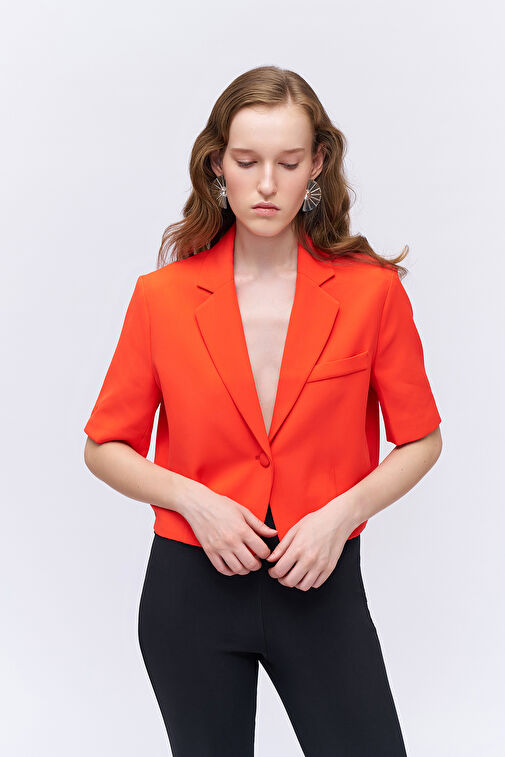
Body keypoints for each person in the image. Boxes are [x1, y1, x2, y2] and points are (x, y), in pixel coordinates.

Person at [83, 65, 442, 756]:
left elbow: (421, 438)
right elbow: (105, 446)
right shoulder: (162, 297)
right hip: (190, 593)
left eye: (288, 162)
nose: (267, 184)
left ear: (317, 164)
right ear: (217, 164)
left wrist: (340, 516)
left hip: (321, 584)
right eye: (247, 162)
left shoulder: (371, 294)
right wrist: (196, 501)